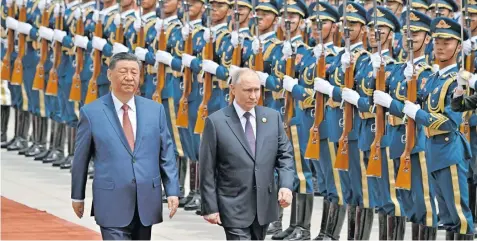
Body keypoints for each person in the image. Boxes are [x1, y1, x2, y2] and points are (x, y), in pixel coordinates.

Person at [70, 52, 180, 240]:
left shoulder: (155, 110)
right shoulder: (91, 113)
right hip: (111, 200)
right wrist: (77, 196)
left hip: (146, 201)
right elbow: (81, 159)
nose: (129, 77)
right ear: (109, 74)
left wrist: (172, 190)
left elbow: (166, 154)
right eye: (123, 71)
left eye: (134, 72)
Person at [199, 68, 295, 240]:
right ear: (233, 89)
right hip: (232, 206)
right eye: (248, 90)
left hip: (263, 206)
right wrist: (210, 206)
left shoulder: (272, 118)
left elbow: (285, 155)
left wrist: (286, 185)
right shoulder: (216, 122)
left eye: (257, 90)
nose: (253, 96)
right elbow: (207, 169)